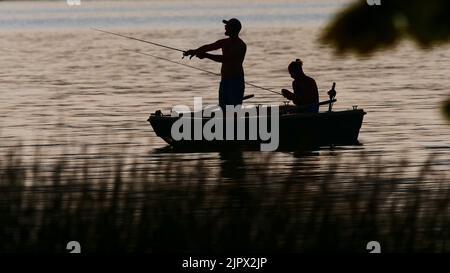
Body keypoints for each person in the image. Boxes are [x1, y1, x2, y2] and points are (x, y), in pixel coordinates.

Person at [184, 18, 247, 110]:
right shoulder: (224, 42)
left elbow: (225, 59)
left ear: (233, 29)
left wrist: (205, 55)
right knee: (224, 109)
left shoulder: (240, 45)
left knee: (233, 112)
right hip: (224, 81)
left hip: (236, 82)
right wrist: (194, 51)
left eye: (227, 26)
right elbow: (209, 46)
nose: (225, 27)